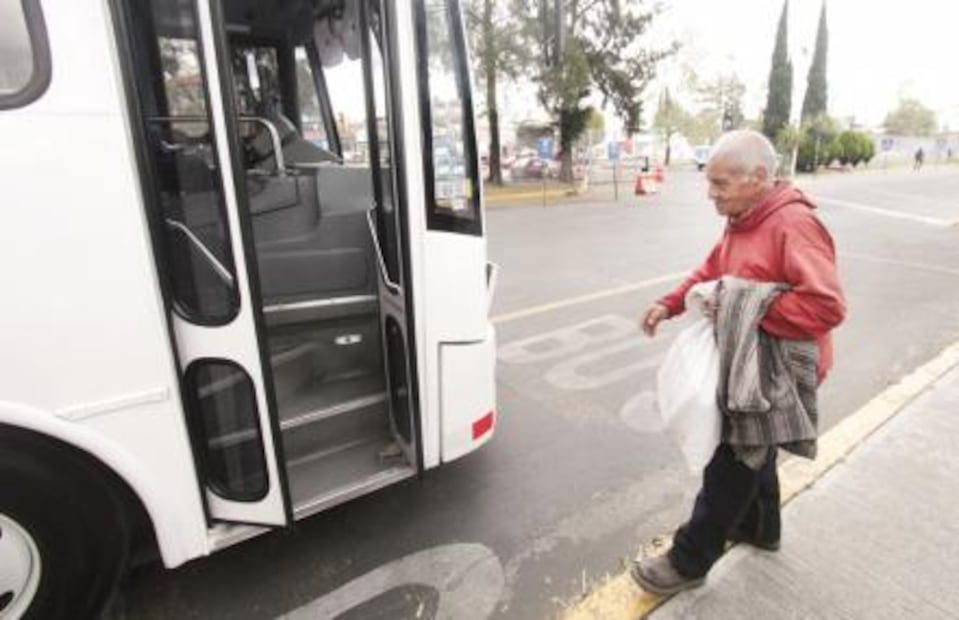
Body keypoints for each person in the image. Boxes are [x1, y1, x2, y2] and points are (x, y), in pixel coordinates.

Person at [633, 129, 846, 595]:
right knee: (757, 449)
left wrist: (737, 304)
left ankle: (689, 560)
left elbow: (826, 308)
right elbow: (713, 270)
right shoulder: (744, 216)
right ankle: (761, 528)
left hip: (780, 369)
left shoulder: (794, 225)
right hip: (751, 359)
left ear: (759, 177)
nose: (710, 194)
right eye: (709, 182)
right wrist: (669, 304)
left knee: (730, 458)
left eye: (721, 184)